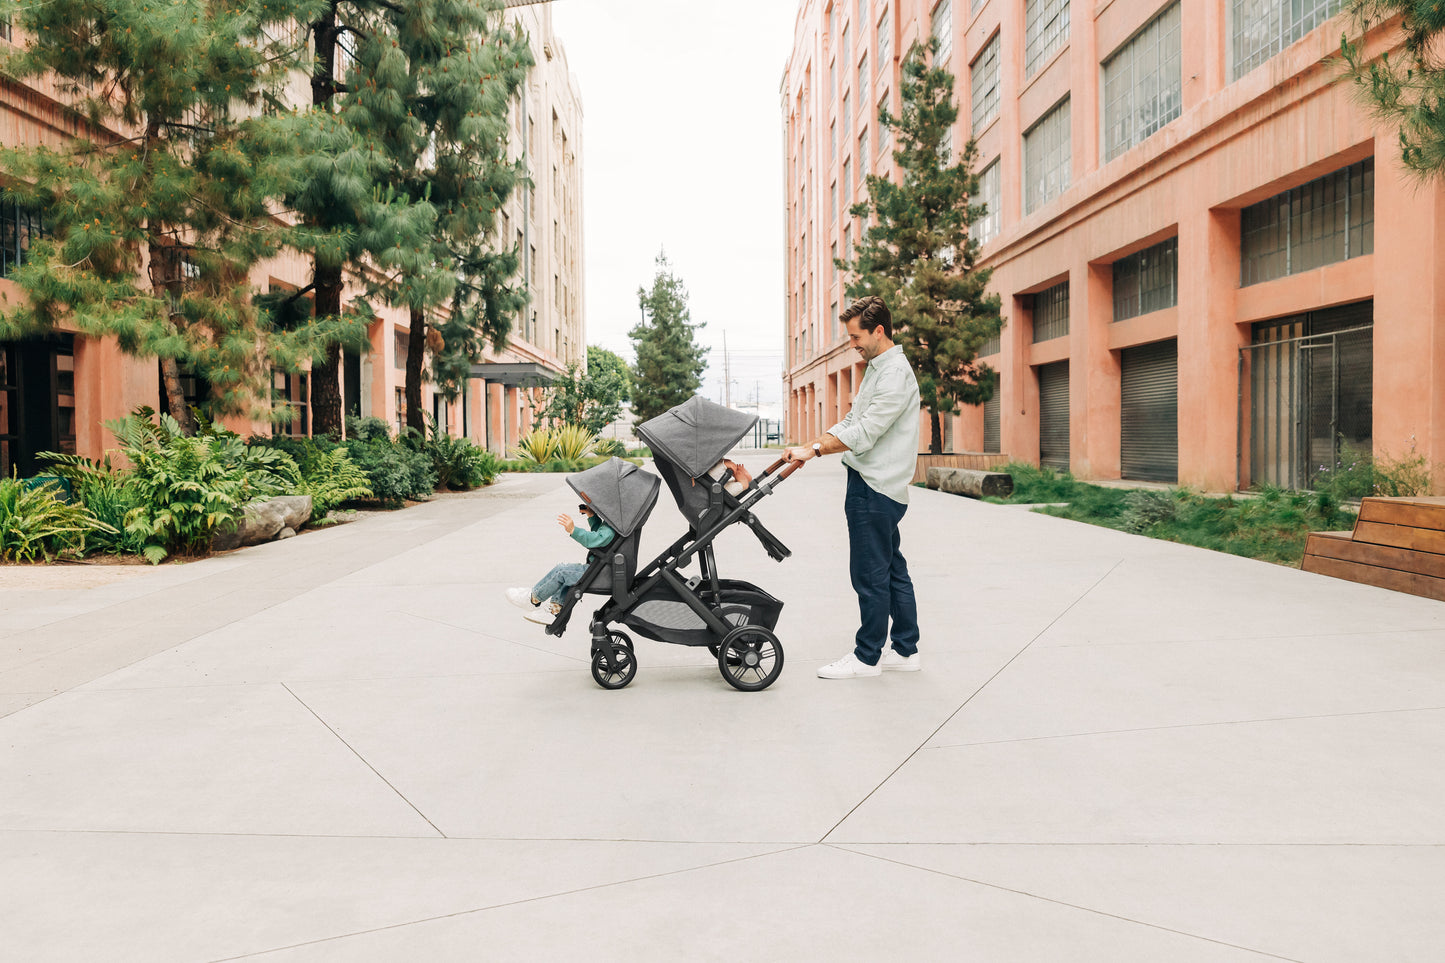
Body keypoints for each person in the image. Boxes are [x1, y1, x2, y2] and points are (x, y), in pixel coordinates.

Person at [784, 295, 922, 679]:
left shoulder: (893, 374)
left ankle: (866, 658)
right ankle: (906, 651)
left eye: (856, 336)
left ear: (879, 330)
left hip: (876, 486)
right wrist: (815, 442)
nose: (853, 344)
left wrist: (814, 449)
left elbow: (865, 431)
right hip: (875, 482)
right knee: (892, 569)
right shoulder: (878, 367)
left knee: (869, 574)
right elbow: (852, 417)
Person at [506, 504, 617, 626]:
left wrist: (573, 530)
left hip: (600, 572)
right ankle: (554, 610)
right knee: (568, 575)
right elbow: (602, 536)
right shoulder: (618, 521)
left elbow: (596, 539)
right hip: (602, 568)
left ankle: (532, 599)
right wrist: (592, 516)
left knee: (562, 571)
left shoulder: (615, 524)